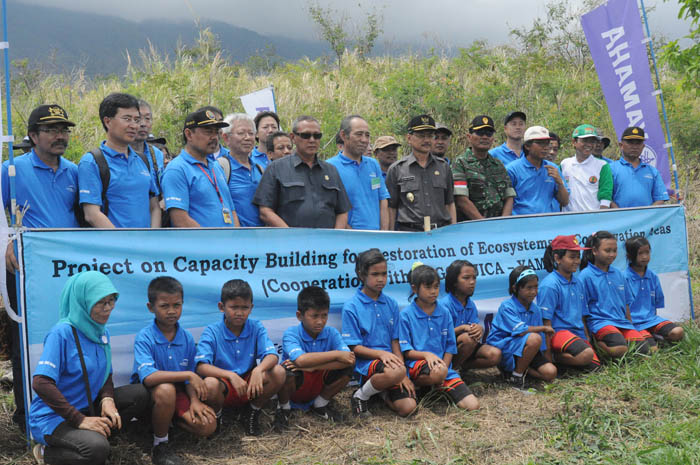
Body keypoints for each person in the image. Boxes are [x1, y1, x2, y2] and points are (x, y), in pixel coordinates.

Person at [2, 104, 79, 431]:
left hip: (66, 271)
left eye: (63, 129)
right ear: (33, 136)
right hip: (27, 270)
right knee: (26, 342)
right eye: (50, 130)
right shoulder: (11, 170)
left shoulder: (74, 171)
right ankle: (25, 417)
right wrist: (5, 242)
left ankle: (68, 411)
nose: (59, 136)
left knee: (67, 339)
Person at [29, 271, 149, 465]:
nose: (108, 308)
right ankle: (45, 453)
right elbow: (41, 382)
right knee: (96, 450)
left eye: (111, 301)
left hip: (88, 408)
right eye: (101, 302)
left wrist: (108, 399)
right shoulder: (62, 333)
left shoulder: (101, 331)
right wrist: (80, 420)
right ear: (83, 302)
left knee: (140, 395)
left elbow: (105, 371)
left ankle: (93, 435)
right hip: (55, 417)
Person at [131, 277, 216, 465]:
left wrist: (194, 401)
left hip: (177, 396)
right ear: (150, 307)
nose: (171, 311)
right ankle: (160, 444)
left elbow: (190, 380)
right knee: (166, 389)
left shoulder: (185, 338)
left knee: (208, 425)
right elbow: (149, 377)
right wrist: (188, 375)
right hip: (150, 397)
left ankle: (167, 422)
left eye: (176, 305)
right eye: (164, 306)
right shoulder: (144, 337)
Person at [195, 279, 286, 436]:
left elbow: (272, 356)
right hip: (225, 385)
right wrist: (230, 375)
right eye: (234, 307)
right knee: (209, 384)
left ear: (251, 308)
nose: (239, 312)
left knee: (278, 372)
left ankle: (251, 412)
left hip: (248, 383)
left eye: (244, 307)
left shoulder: (255, 326)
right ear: (221, 307)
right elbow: (201, 366)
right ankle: (218, 416)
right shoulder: (212, 331)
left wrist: (259, 370)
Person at [341, 249, 417, 417]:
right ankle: (360, 395)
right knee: (395, 372)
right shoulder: (351, 306)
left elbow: (395, 341)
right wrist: (381, 355)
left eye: (384, 273)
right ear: (361, 275)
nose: (381, 279)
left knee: (408, 408)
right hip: (367, 364)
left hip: (392, 364)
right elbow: (353, 347)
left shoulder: (391, 303)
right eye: (375, 274)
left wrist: (403, 373)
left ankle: (380, 391)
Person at [398, 263, 479, 410]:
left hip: (442, 368)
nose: (433, 291)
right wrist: (427, 355)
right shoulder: (405, 315)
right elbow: (406, 351)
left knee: (472, 405)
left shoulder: (444, 312)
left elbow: (450, 346)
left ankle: (437, 386)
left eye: (436, 286)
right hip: (417, 365)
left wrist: (445, 368)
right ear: (415, 289)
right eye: (428, 287)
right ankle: (423, 385)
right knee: (437, 373)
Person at [78, 93, 161, 228]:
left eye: (136, 119)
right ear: (108, 121)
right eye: (127, 119)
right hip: (115, 246)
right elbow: (92, 214)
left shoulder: (142, 160)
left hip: (146, 245)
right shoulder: (92, 162)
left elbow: (154, 207)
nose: (134, 126)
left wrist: (152, 239)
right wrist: (123, 245)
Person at [253, 115, 351, 228]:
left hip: (327, 243)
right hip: (290, 242)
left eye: (317, 136)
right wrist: (291, 236)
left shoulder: (331, 170)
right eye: (306, 135)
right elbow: (265, 211)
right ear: (293, 137)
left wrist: (336, 236)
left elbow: (342, 211)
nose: (312, 140)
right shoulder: (276, 168)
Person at [280, 286, 355, 422]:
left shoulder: (332, 333)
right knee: (285, 371)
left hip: (317, 384)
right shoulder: (291, 333)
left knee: (348, 366)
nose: (320, 321)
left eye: (324, 315)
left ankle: (320, 404)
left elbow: (349, 359)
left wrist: (314, 367)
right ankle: (284, 409)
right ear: (299, 316)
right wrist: (336, 354)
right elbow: (301, 360)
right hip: (296, 389)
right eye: (314, 316)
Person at [578, 231, 652, 359]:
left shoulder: (618, 273)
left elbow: (626, 303)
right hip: (600, 323)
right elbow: (582, 311)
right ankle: (598, 345)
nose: (612, 254)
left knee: (644, 351)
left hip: (622, 323)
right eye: (607, 250)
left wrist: (630, 325)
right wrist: (587, 336)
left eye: (615, 250)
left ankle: (622, 343)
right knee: (620, 349)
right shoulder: (585, 276)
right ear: (595, 251)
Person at [161, 108, 240, 227]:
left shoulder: (216, 166)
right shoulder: (177, 169)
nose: (214, 137)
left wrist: (235, 239)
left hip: (227, 244)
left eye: (216, 132)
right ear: (189, 134)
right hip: (201, 244)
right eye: (208, 132)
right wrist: (212, 244)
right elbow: (181, 220)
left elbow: (232, 210)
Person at [485, 266, 557, 389]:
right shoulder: (507, 306)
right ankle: (516, 377)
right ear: (515, 288)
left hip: (525, 348)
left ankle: (516, 371)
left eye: (535, 287)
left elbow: (542, 344)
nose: (534, 292)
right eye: (529, 288)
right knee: (534, 338)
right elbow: (521, 331)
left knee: (551, 372)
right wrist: (544, 328)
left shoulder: (536, 309)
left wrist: (547, 358)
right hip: (505, 348)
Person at [539, 236, 600, 372]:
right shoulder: (550, 285)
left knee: (595, 368)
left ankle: (564, 365)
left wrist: (587, 339)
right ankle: (555, 358)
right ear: (557, 258)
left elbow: (582, 316)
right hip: (558, 333)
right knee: (586, 355)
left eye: (578, 257)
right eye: (572, 257)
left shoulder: (578, 282)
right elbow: (545, 322)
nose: (577, 261)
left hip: (576, 334)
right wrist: (547, 355)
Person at [385, 115, 456, 231]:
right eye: (421, 136)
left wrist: (453, 232)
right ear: (409, 138)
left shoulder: (444, 167)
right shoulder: (397, 169)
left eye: (430, 136)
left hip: (441, 233)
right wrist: (391, 236)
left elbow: (449, 203)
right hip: (410, 235)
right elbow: (391, 208)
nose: (427, 140)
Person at [327, 115, 390, 230]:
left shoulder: (373, 165)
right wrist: (352, 234)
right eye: (359, 134)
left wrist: (384, 233)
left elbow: (382, 200)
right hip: (349, 239)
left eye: (367, 135)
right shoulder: (330, 167)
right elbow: (330, 208)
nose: (364, 140)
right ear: (343, 135)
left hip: (376, 238)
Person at [439, 260, 501, 373]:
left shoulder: (470, 304)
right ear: (454, 282)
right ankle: (450, 372)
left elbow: (474, 325)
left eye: (474, 278)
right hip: (447, 349)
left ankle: (462, 367)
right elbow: (440, 335)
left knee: (495, 355)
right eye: (466, 278)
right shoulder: (444, 305)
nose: (472, 282)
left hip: (467, 347)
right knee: (468, 339)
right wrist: (462, 328)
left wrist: (479, 328)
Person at [452, 115, 515, 220]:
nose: (485, 137)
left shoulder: (498, 164)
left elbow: (509, 196)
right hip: (472, 227)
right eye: (480, 133)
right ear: (469, 137)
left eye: (489, 134)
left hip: (499, 226)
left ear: (492, 139)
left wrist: (503, 221)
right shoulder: (460, 164)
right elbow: (461, 199)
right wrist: (483, 223)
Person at [625, 236, 684, 344]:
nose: (645, 256)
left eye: (647, 252)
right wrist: (630, 328)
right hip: (635, 324)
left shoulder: (653, 276)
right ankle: (652, 339)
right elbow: (624, 306)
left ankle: (655, 336)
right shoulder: (624, 278)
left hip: (652, 321)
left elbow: (655, 304)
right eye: (640, 253)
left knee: (678, 332)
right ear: (630, 255)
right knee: (652, 349)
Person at [507, 126, 569, 214]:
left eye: (547, 143)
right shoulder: (513, 169)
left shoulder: (553, 168)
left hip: (548, 223)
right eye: (540, 143)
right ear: (527, 146)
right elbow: (505, 202)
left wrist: (559, 182)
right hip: (521, 224)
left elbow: (565, 202)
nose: (546, 147)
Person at [220, 113, 264, 227]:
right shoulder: (220, 167)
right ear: (226, 138)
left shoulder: (260, 169)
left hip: (262, 238)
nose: (247, 138)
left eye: (251, 133)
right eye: (241, 133)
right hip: (236, 239)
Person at [610, 127, 669, 208]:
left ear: (643, 146)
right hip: (619, 219)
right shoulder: (611, 169)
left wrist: (646, 216)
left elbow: (660, 198)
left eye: (638, 143)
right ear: (621, 145)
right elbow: (606, 198)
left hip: (647, 219)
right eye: (630, 142)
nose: (634, 146)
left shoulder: (652, 171)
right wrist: (620, 214)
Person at [560, 124, 613, 212]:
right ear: (574, 142)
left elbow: (605, 196)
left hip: (592, 220)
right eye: (585, 140)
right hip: (568, 219)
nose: (589, 144)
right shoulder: (565, 164)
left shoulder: (602, 165)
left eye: (592, 141)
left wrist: (601, 217)